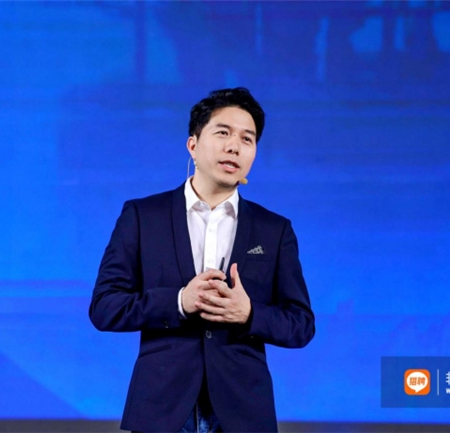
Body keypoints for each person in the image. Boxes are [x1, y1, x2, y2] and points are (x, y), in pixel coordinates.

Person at [89, 87, 315, 432]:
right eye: (223, 133)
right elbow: (105, 307)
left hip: (242, 413)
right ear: (192, 145)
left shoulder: (274, 229)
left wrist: (249, 313)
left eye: (247, 139)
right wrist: (179, 301)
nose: (234, 146)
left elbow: (301, 325)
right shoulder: (143, 216)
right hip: (161, 409)